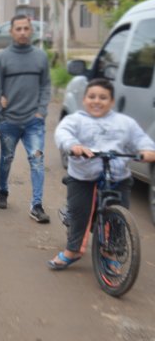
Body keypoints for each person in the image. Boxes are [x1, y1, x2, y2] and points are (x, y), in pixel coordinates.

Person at [49, 79, 155, 269]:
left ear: (112, 102)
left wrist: (147, 151)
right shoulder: (75, 120)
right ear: (84, 100)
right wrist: (74, 146)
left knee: (118, 220)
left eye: (103, 98)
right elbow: (63, 134)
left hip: (117, 178)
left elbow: (141, 139)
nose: (97, 101)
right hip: (82, 177)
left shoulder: (125, 123)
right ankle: (72, 251)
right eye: (92, 97)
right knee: (79, 214)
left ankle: (110, 252)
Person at [0, 14, 51, 223]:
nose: (23, 32)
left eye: (26, 28)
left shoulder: (40, 57)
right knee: (6, 159)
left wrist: (41, 111)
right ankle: (3, 191)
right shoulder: (3, 58)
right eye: (18, 29)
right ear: (11, 31)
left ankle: (37, 205)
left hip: (34, 121)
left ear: (31, 30)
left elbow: (45, 86)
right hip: (9, 121)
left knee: (37, 161)